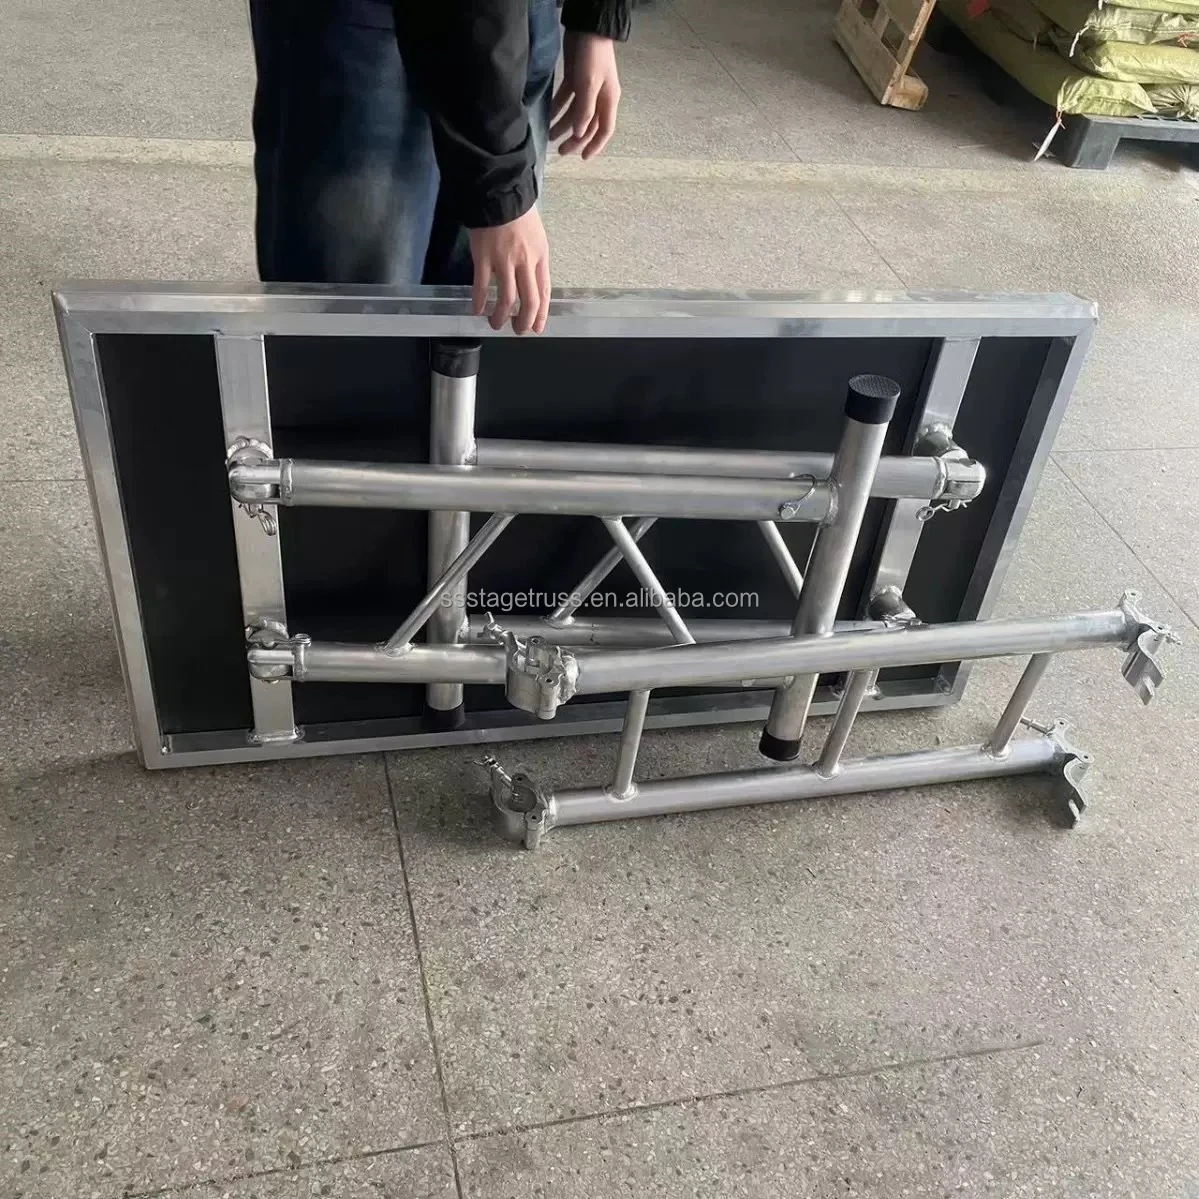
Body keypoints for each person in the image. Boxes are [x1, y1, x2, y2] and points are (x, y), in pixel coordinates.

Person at [248, 0, 630, 334]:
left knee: (477, 321)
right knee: (354, 329)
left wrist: (596, 19)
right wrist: (499, 184)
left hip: (515, 23)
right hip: (362, 23)